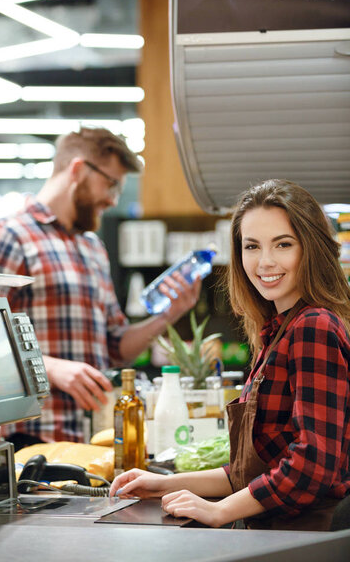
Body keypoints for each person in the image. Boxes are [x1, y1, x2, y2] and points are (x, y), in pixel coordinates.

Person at [110, 179, 350, 531]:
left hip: (302, 538)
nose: (264, 261)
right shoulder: (277, 330)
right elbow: (256, 470)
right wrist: (164, 483)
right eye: (251, 246)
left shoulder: (313, 327)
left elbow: (311, 465)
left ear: (310, 247)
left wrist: (221, 511)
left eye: (283, 244)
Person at [0, 127, 201, 446]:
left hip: (94, 439)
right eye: (110, 184)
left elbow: (117, 348)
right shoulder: (7, 237)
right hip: (31, 439)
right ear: (77, 170)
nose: (112, 198)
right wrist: (50, 368)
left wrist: (168, 315)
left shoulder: (93, 247)